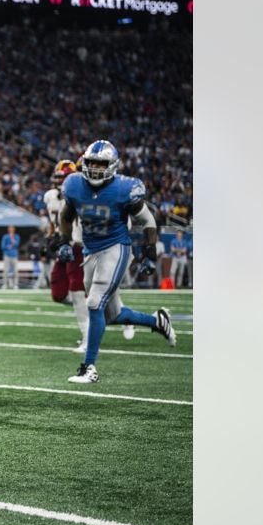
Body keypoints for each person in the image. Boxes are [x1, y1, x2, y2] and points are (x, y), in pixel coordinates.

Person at [54, 140, 176, 383]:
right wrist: (64, 242)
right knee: (113, 315)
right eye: (92, 164)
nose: (96, 169)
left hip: (116, 247)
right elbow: (66, 216)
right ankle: (158, 321)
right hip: (90, 251)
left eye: (102, 165)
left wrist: (149, 252)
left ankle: (89, 368)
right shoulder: (75, 185)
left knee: (94, 303)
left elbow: (147, 220)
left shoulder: (124, 189)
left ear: (112, 166)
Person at [44, 160, 89, 350]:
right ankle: (91, 309)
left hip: (77, 246)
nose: (59, 182)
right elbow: (54, 222)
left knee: (78, 292)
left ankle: (88, 337)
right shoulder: (50, 197)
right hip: (63, 247)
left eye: (63, 178)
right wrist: (50, 239)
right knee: (58, 293)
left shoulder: (77, 196)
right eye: (58, 178)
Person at [0, 225, 21, 289]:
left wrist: (12, 239)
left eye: (12, 228)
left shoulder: (16, 236)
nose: (11, 229)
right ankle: (5, 284)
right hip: (7, 255)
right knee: (5, 270)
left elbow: (16, 244)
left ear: (14, 229)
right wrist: (7, 247)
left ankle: (15, 285)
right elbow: (2, 246)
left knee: (15, 271)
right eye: (10, 228)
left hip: (14, 255)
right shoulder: (5, 236)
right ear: (8, 229)